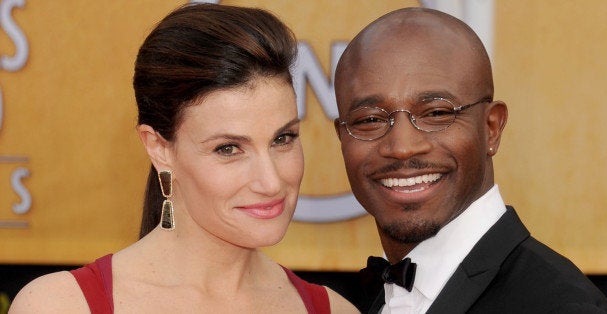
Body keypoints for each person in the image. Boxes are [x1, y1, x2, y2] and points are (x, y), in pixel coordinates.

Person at [9, 3, 358, 313]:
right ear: (159, 147)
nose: (270, 181)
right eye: (228, 149)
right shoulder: (60, 305)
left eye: (283, 139)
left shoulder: (332, 309)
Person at [333, 7, 607, 314]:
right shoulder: (378, 298)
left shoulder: (562, 307)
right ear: (342, 136)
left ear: (491, 128)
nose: (402, 147)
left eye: (437, 114)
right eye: (370, 119)